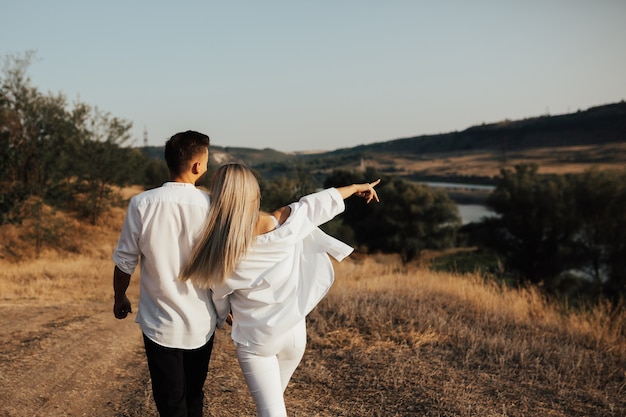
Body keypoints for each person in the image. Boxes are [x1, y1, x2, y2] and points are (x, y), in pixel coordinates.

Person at [180, 163, 380, 417]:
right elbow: (316, 203)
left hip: (258, 339)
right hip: (294, 332)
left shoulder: (220, 245)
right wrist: (356, 188)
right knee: (274, 406)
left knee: (272, 412)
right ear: (253, 192)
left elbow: (219, 296)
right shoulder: (283, 221)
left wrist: (224, 315)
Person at [112, 130, 217, 417]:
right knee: (195, 397)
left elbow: (125, 260)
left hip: (159, 323)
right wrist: (227, 305)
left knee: (170, 404)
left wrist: (119, 297)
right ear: (197, 166)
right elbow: (222, 264)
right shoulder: (212, 206)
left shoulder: (141, 204)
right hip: (202, 322)